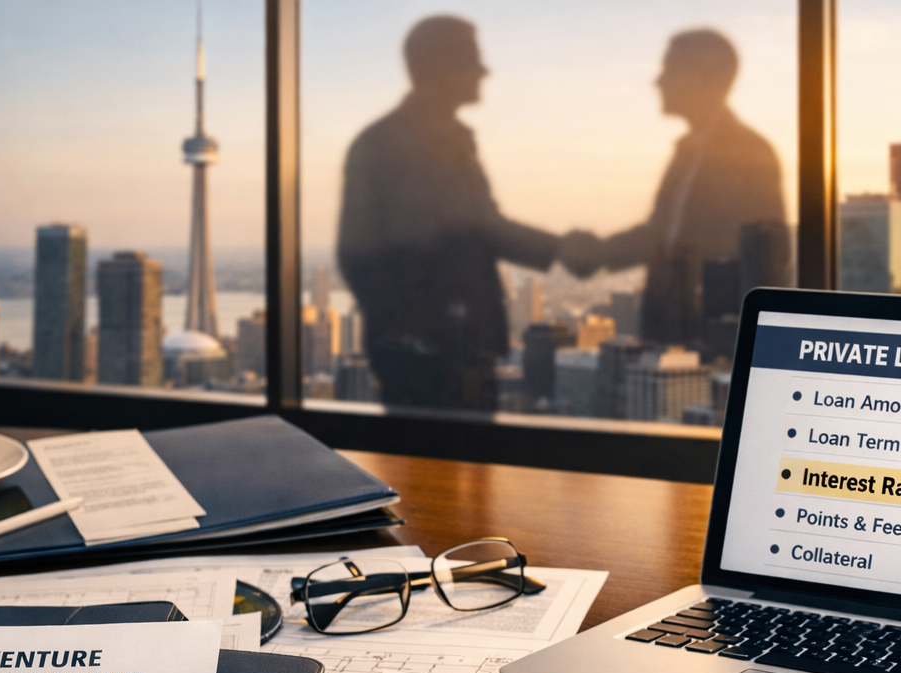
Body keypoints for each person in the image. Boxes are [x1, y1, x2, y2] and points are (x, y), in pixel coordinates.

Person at [338, 16, 571, 410]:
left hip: (465, 348)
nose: (484, 71)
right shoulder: (383, 144)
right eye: (473, 59)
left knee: (470, 463)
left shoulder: (450, 139)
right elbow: (357, 254)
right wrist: (411, 333)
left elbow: (480, 226)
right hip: (424, 357)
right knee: (424, 466)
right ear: (439, 66)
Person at [562, 29, 790, 347]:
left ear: (702, 77)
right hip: (672, 337)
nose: (659, 82)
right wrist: (598, 253)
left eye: (669, 70)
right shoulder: (688, 152)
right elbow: (661, 235)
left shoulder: (749, 153)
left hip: (713, 341)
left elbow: (767, 259)